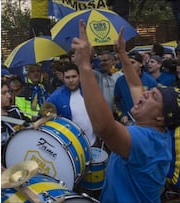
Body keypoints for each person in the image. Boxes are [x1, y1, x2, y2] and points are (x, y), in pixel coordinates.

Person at [72, 20, 179, 202]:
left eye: (153, 97)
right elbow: (136, 84)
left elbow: (105, 127)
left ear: (161, 117)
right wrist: (122, 53)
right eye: (150, 91)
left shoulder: (146, 142)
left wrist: (84, 66)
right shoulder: (156, 126)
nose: (144, 95)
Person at [46, 62, 97, 147]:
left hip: (94, 141)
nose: (71, 80)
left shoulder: (88, 90)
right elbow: (44, 115)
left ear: (79, 76)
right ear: (63, 78)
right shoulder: (55, 97)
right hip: (72, 147)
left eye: (74, 76)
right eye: (67, 77)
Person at [113, 51, 158, 125]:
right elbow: (116, 101)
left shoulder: (150, 81)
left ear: (141, 64)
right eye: (127, 63)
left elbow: (156, 104)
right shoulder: (120, 81)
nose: (129, 66)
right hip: (128, 122)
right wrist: (122, 115)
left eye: (132, 63)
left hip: (146, 122)